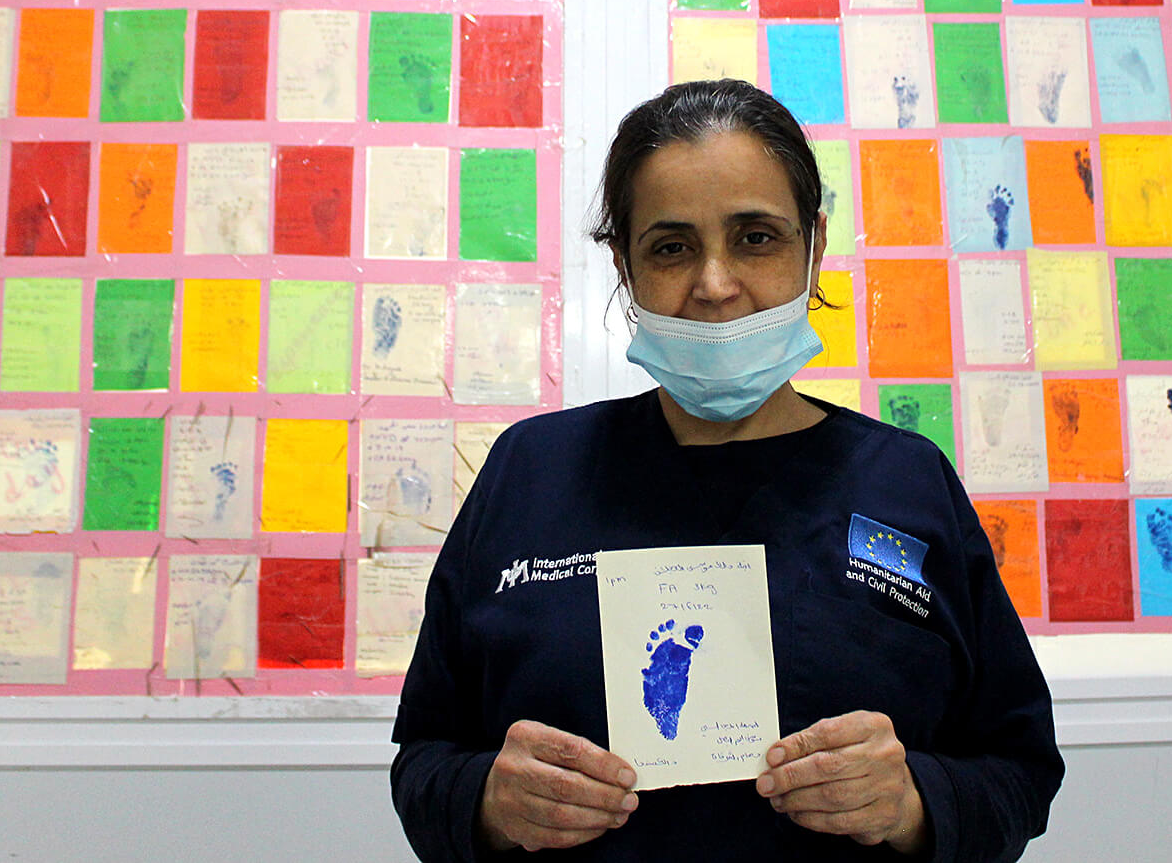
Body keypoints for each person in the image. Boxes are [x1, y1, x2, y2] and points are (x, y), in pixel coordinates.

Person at [390, 79, 1064, 861]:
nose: (715, 285)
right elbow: (425, 758)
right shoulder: (528, 473)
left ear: (813, 247)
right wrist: (488, 802)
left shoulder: (907, 484)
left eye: (756, 237)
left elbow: (1020, 768)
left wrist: (915, 800)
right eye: (672, 246)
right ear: (625, 264)